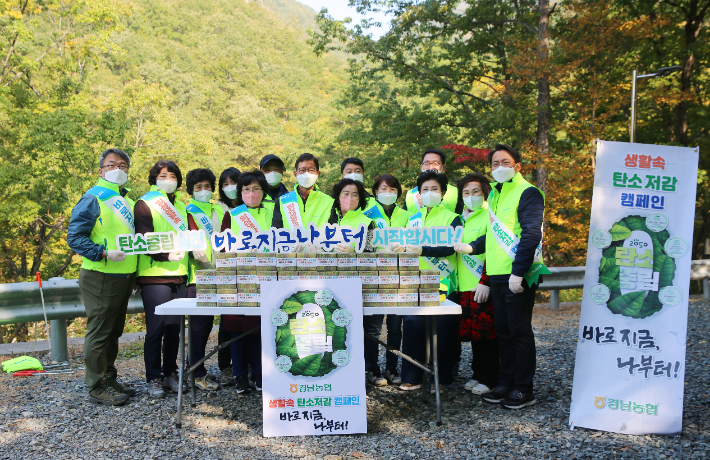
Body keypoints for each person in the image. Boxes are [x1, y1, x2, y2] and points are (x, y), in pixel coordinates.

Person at [454, 144, 544, 409]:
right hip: (497, 274)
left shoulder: (527, 192)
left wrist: (519, 272)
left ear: (517, 166)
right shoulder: (495, 195)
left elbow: (530, 234)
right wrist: (473, 247)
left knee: (519, 333)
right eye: (494, 163)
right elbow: (494, 236)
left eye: (505, 162)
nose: (499, 167)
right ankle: (505, 382)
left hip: (518, 275)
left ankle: (523, 389)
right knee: (502, 332)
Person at [67, 148, 138, 406]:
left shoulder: (127, 201)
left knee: (112, 332)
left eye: (122, 165)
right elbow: (74, 237)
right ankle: (97, 385)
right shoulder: (93, 197)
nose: (117, 169)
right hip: (101, 274)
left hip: (122, 276)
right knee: (99, 333)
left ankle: (108, 377)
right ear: (101, 171)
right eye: (111, 165)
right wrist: (103, 253)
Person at [397, 171, 462, 392]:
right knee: (413, 327)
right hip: (415, 281)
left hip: (443, 280)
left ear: (443, 193)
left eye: (434, 189)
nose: (429, 193)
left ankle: (441, 379)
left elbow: (451, 247)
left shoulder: (452, 218)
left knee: (442, 332)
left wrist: (423, 249)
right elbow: (404, 246)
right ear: (418, 194)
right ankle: (412, 376)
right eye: (425, 189)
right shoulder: (412, 219)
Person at [135, 160, 188, 399]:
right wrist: (165, 255)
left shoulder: (182, 206)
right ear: (154, 178)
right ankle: (153, 377)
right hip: (154, 275)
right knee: (156, 330)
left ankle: (170, 373)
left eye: (173, 175)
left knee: (174, 329)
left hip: (179, 275)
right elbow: (143, 238)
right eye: (163, 175)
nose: (168, 179)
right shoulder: (146, 203)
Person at [220, 170, 275, 394]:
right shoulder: (233, 215)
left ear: (264, 191)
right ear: (239, 192)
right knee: (237, 327)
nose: (251, 193)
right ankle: (240, 375)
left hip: (268, 278)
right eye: (246, 189)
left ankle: (260, 374)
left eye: (256, 189)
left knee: (262, 326)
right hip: (239, 278)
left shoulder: (274, 212)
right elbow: (222, 248)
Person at [328, 179, 383, 385]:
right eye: (345, 194)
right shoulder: (329, 220)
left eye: (354, 195)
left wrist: (356, 252)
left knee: (364, 329)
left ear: (360, 200)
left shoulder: (367, 221)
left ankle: (370, 368)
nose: (349, 198)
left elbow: (372, 252)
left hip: (358, 284)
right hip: (332, 283)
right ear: (338, 197)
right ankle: (339, 371)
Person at [362, 174, 413, 385]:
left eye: (393, 189)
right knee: (373, 328)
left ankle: (391, 368)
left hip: (400, 278)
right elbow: (363, 247)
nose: (388, 193)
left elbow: (414, 242)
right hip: (375, 278)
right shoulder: (367, 215)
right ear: (375, 191)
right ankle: (372, 369)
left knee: (395, 327)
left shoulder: (408, 215)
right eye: (384, 188)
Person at [452, 173, 499, 396]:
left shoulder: (490, 216)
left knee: (487, 336)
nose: (471, 197)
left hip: (481, 286)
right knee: (474, 336)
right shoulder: (460, 219)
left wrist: (486, 281)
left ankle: (490, 378)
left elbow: (493, 250)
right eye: (466, 193)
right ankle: (478, 373)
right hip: (464, 287)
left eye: (476, 192)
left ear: (485, 194)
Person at [185, 168, 224, 392]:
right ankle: (196, 373)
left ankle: (199, 368)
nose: (203, 190)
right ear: (191, 190)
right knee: (199, 328)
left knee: (211, 326)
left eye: (207, 186)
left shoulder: (218, 209)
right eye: (198, 187)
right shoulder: (187, 210)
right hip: (199, 275)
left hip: (223, 273)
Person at [215, 167, 240, 385]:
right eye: (225, 184)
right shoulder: (217, 209)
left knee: (249, 322)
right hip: (225, 272)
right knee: (227, 322)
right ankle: (225, 366)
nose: (230, 187)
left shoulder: (249, 208)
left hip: (251, 272)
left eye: (234, 182)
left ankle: (247, 365)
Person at [273, 153, 334, 230]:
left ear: (318, 174)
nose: (306, 174)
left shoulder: (329, 202)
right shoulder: (283, 201)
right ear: (295, 174)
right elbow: (276, 233)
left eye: (311, 170)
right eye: (302, 170)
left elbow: (333, 233)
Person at [404, 149, 458, 216]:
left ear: (443, 168)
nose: (431, 167)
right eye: (426, 164)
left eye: (435, 163)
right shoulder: (410, 194)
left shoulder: (456, 193)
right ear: (421, 167)